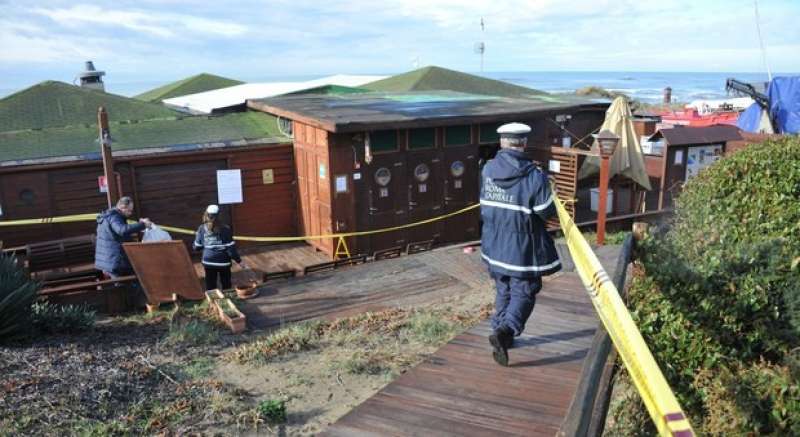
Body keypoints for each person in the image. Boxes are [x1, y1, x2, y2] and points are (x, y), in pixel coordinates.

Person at [479, 122, 561, 366]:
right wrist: (552, 195)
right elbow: (546, 212)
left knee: (503, 288)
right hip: (522, 247)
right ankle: (506, 332)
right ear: (524, 143)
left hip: (493, 244)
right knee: (525, 290)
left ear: (503, 142)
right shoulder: (534, 176)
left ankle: (499, 329)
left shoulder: (487, 170)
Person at [95, 196, 152, 278]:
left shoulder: (108, 216)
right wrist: (143, 224)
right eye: (129, 210)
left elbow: (118, 236)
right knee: (131, 283)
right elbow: (122, 230)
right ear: (122, 208)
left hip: (109, 260)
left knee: (124, 285)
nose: (130, 213)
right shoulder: (114, 217)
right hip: (115, 261)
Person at [194, 205, 246, 290]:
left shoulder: (201, 228)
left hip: (208, 262)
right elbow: (231, 250)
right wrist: (239, 262)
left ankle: (212, 301)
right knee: (226, 284)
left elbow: (197, 247)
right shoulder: (226, 229)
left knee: (210, 285)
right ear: (219, 215)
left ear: (206, 214)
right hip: (223, 262)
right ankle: (228, 298)